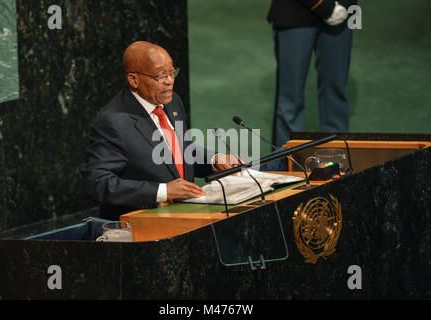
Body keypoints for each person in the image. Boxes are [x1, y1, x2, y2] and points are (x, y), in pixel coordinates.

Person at [83, 41, 237, 220]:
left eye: (172, 72)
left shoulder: (172, 102)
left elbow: (179, 150)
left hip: (186, 217)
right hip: (143, 225)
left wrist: (214, 160)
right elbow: (97, 182)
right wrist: (163, 191)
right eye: (160, 76)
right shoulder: (113, 122)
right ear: (134, 80)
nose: (170, 81)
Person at [267, 0, 357, 166]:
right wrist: (325, 7)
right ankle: (285, 166)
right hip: (295, 12)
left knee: (335, 93)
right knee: (290, 99)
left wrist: (344, 4)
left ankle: (336, 163)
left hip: (343, 13)